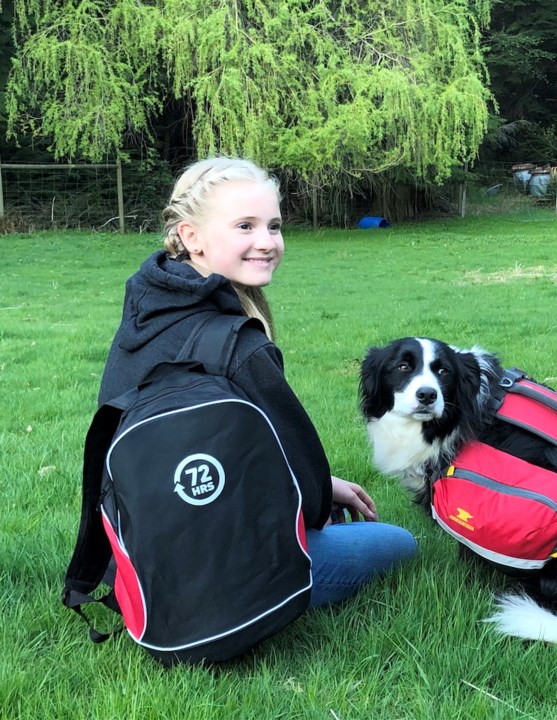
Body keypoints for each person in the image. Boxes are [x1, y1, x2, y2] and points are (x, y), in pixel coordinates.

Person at [98, 156, 418, 608]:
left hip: (134, 566)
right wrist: (321, 489)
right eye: (245, 226)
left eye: (274, 225)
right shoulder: (239, 345)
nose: (267, 242)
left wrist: (324, 480)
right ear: (192, 236)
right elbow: (306, 497)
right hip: (222, 581)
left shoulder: (145, 312)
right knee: (399, 542)